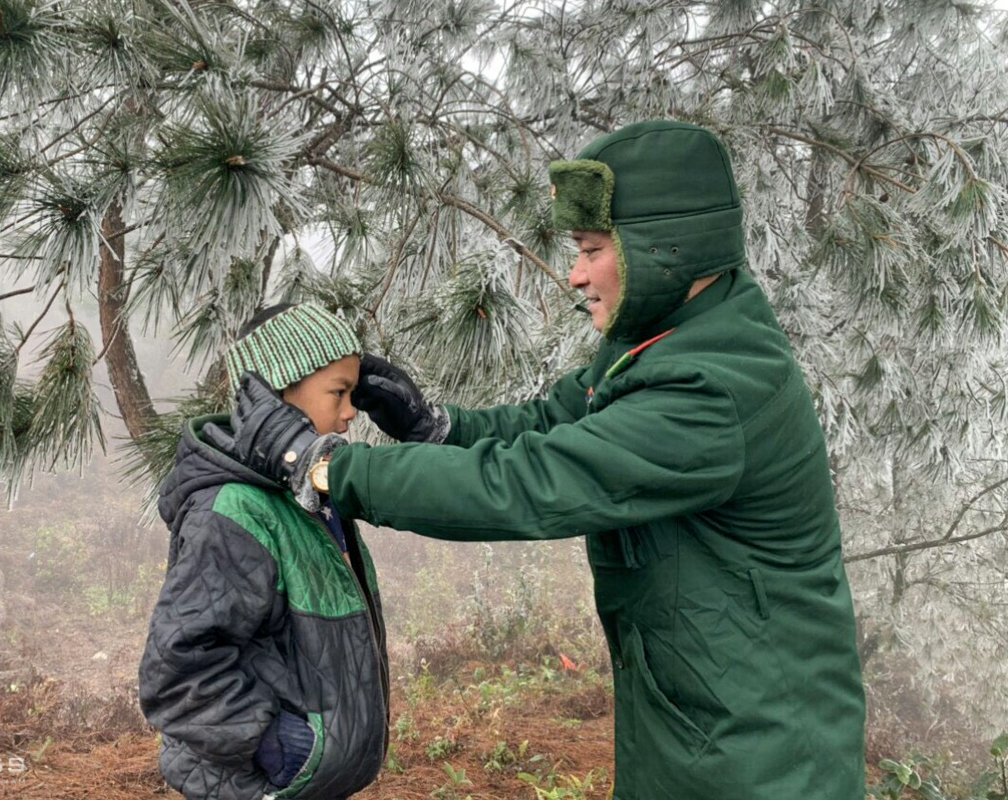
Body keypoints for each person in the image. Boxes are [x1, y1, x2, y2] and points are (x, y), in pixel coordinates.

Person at [207, 120, 868, 800]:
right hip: (708, 718)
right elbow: (553, 422)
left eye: (593, 249)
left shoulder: (713, 388)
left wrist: (325, 468)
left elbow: (530, 483)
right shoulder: (668, 340)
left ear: (667, 247)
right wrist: (436, 428)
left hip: (763, 755)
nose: (576, 274)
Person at [138, 302, 389, 800]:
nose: (349, 412)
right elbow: (178, 666)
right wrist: (279, 747)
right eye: (338, 393)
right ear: (275, 397)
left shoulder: (307, 495)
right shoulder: (235, 511)